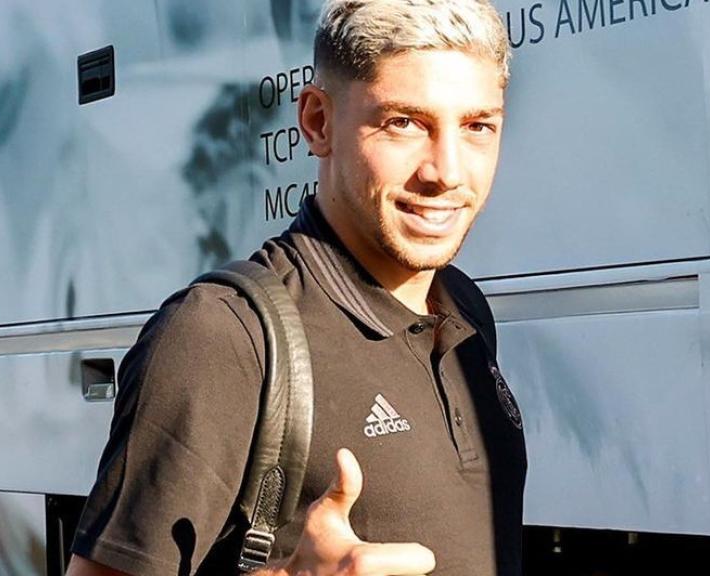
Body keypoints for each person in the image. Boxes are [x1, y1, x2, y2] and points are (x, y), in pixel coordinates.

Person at [67, 0, 526, 574]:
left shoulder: (465, 308)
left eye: (478, 126)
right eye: (404, 123)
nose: (447, 172)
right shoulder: (221, 335)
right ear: (317, 122)